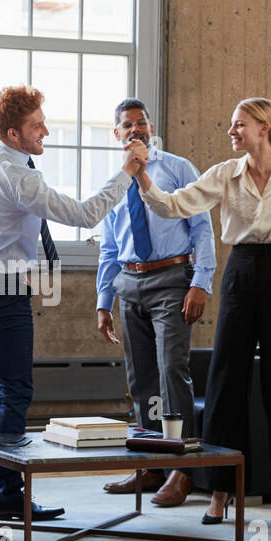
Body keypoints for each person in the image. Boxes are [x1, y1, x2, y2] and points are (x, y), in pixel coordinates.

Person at [124, 97, 271, 525]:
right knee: (226, 379)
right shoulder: (224, 174)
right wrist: (143, 180)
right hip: (241, 270)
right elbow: (174, 205)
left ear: (264, 128)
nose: (231, 132)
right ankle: (219, 489)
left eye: (239, 125)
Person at [0, 85, 142, 522]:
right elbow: (83, 215)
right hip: (0, 289)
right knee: (15, 390)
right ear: (11, 133)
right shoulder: (20, 176)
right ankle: (7, 496)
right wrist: (126, 172)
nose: (46, 130)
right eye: (36, 125)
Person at [96, 99, 216, 505]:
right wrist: (103, 299)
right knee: (141, 379)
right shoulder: (115, 178)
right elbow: (109, 247)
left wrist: (201, 282)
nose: (135, 130)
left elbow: (202, 228)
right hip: (130, 282)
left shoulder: (178, 168)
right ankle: (149, 466)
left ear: (150, 127)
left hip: (172, 280)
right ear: (117, 134)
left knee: (171, 371)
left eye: (141, 123)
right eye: (127, 125)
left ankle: (182, 470)